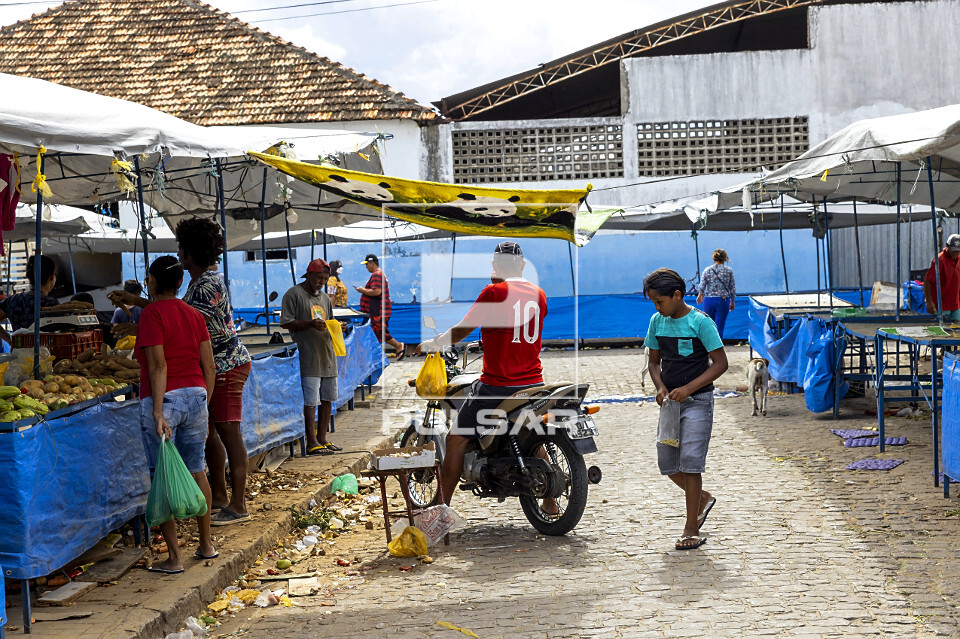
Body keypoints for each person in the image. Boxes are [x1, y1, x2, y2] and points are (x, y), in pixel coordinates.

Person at [417, 242, 549, 508]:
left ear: (495, 266)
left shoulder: (493, 291)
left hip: (499, 385)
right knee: (533, 433)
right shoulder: (539, 293)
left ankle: (440, 508)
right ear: (523, 265)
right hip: (535, 383)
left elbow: (464, 328)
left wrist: (436, 342)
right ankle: (551, 504)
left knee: (456, 438)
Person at [136, 255, 217, 573]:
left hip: (164, 399)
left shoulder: (151, 314)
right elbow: (209, 365)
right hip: (197, 395)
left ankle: (174, 558)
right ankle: (206, 544)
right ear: (181, 282)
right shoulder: (194, 315)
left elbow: (158, 366)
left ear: (151, 281)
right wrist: (204, 404)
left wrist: (158, 411)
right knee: (198, 470)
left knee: (163, 476)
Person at [176, 217, 253, 527]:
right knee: (209, 435)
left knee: (228, 433)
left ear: (190, 252)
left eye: (182, 247)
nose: (179, 253)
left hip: (226, 364)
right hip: (214, 366)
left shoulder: (208, 283)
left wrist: (141, 304)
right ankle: (219, 495)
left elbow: (179, 316)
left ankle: (238, 504)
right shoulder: (199, 281)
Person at [643, 268, 728, 551]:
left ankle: (691, 527)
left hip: (698, 403)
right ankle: (701, 497)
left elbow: (720, 364)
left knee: (691, 463)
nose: (657, 307)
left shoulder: (701, 322)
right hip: (670, 405)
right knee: (667, 464)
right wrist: (659, 387)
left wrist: (689, 389)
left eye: (660, 301)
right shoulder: (657, 322)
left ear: (677, 295)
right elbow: (654, 363)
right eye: (654, 302)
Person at [280, 258, 341, 455]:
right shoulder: (294, 294)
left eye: (324, 279)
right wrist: (310, 324)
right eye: (318, 278)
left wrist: (337, 326)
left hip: (327, 355)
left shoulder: (324, 297)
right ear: (309, 275)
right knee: (311, 400)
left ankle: (322, 438)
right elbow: (286, 322)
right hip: (308, 355)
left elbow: (329, 321)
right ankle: (311, 440)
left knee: (327, 398)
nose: (321, 282)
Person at [0, 254, 58, 343]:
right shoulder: (51, 304)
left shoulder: (12, 300)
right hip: (46, 355)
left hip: (19, 354)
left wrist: (10, 340)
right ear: (51, 276)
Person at [356, 254, 405, 359]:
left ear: (372, 263)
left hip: (379, 310)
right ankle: (373, 355)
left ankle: (398, 345)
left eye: (367, 264)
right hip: (377, 309)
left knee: (379, 332)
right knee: (375, 332)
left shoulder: (376, 274)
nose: (366, 267)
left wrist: (362, 290)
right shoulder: (379, 274)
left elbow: (377, 291)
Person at [696, 249, 735, 339]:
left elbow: (702, 285)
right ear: (725, 259)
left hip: (708, 300)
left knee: (709, 327)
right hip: (723, 300)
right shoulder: (729, 270)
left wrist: (700, 295)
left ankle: (709, 350)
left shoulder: (707, 270)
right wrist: (732, 301)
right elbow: (732, 288)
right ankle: (718, 350)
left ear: (713, 258)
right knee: (719, 327)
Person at [924, 234, 960, 320]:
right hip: (941, 305)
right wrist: (929, 302)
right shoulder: (939, 260)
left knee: (957, 329)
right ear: (947, 246)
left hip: (955, 304)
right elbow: (927, 281)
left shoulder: (958, 258)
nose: (956, 253)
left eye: (958, 251)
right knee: (943, 330)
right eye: (954, 250)